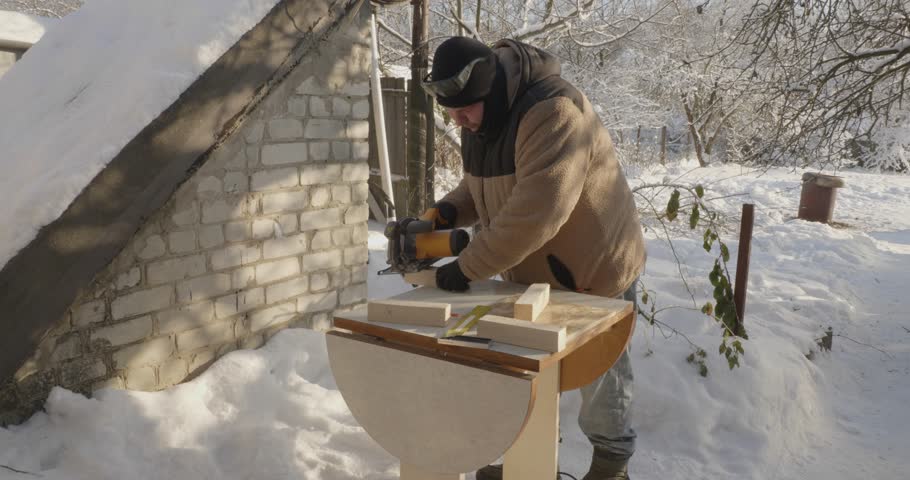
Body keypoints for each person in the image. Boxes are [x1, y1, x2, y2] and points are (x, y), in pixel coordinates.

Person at [418, 37, 647, 480]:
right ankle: (531, 461)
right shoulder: (481, 119)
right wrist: (447, 210)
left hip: (594, 267)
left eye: (465, 108)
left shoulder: (554, 111)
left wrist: (467, 267)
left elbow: (537, 210)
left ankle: (611, 466)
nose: (458, 120)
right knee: (529, 364)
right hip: (535, 269)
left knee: (601, 376)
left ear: (492, 89)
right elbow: (481, 184)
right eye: (451, 111)